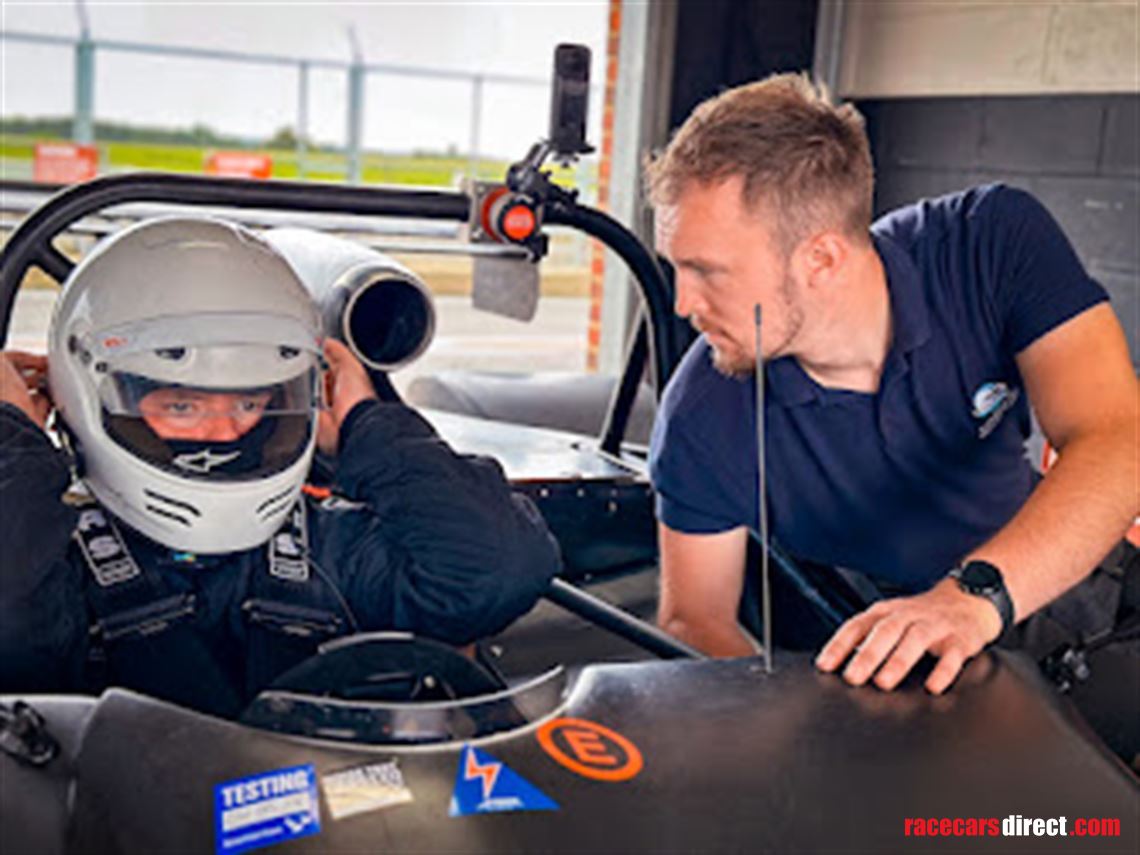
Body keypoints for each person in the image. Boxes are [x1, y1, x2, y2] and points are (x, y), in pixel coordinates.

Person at [645, 74, 1138, 695]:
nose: (683, 303)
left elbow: (1117, 438)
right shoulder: (703, 416)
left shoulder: (992, 241)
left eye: (707, 272)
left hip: (1046, 562)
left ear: (821, 259)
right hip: (872, 629)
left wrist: (971, 597)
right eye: (676, 269)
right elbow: (696, 616)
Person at [0, 216, 561, 718]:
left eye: (250, 403)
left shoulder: (326, 544)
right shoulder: (55, 559)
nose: (224, 434)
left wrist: (371, 426)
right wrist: (13, 445)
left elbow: (493, 573)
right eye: (182, 406)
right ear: (83, 396)